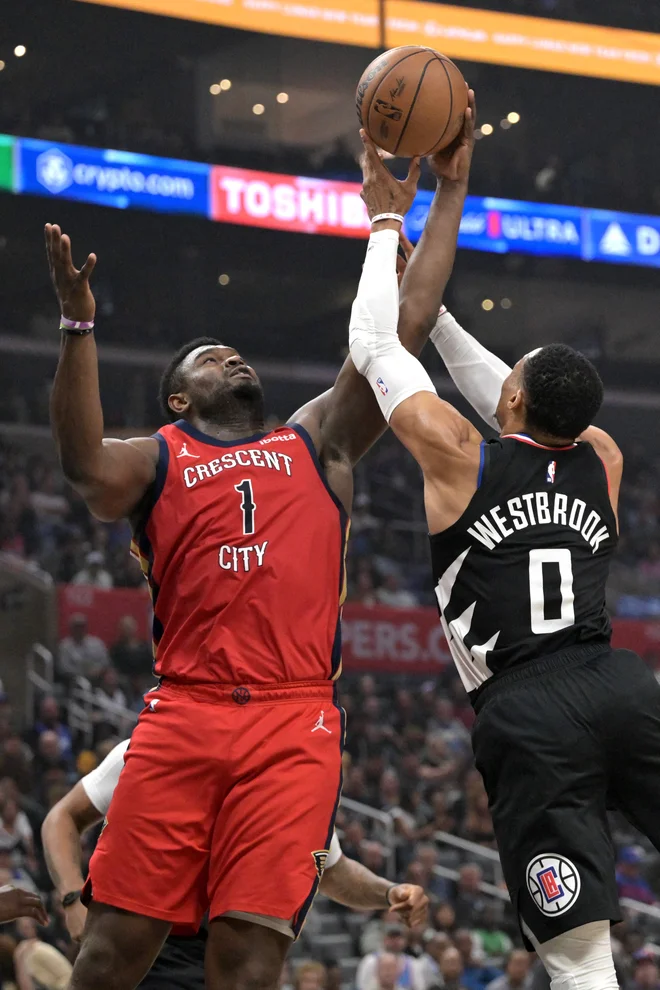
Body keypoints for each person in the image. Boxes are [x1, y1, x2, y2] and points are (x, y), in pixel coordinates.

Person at [42, 89, 473, 990]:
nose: (231, 358)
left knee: (249, 960)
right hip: (187, 710)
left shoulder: (315, 441)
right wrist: (79, 326)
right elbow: (83, 466)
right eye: (208, 357)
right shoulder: (157, 458)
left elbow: (407, 328)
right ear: (178, 397)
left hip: (294, 717)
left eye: (233, 353)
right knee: (113, 951)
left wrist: (449, 190)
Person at [348, 124, 660, 990]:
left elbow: (375, 347)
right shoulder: (603, 456)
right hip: (620, 682)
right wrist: (439, 309)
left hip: (529, 711)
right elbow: (519, 403)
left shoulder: (458, 455)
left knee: (580, 954)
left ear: (513, 398)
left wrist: (383, 228)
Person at [41, 739, 429, 990]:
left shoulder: (289, 786)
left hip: (227, 957)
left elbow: (334, 869)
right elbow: (62, 818)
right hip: (140, 945)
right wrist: (73, 898)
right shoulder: (151, 749)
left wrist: (388, 892)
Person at [58, 613, 109, 681]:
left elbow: (105, 662)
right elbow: (63, 667)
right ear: (71, 628)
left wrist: (98, 670)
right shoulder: (65, 646)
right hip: (73, 680)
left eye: (82, 627)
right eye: (76, 627)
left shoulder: (97, 643)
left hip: (97, 678)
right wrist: (82, 674)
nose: (79, 630)